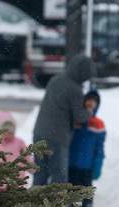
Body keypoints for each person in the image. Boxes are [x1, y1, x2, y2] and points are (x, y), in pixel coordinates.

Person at [32, 54, 96, 185]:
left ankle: (33, 204)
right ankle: (56, 205)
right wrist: (90, 110)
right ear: (82, 74)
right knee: (58, 177)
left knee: (40, 173)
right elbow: (80, 116)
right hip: (57, 138)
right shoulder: (75, 89)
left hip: (39, 132)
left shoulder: (55, 80)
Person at [68, 90, 106, 207]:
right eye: (88, 100)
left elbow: (99, 147)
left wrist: (98, 164)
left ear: (97, 105)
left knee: (87, 189)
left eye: (94, 101)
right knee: (71, 187)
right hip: (71, 163)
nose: (90, 104)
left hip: (87, 165)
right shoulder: (76, 120)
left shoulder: (98, 124)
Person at [0, 111, 33, 189]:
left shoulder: (19, 142)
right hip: (1, 184)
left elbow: (27, 157)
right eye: (6, 130)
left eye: (12, 130)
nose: (9, 133)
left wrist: (31, 167)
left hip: (18, 182)